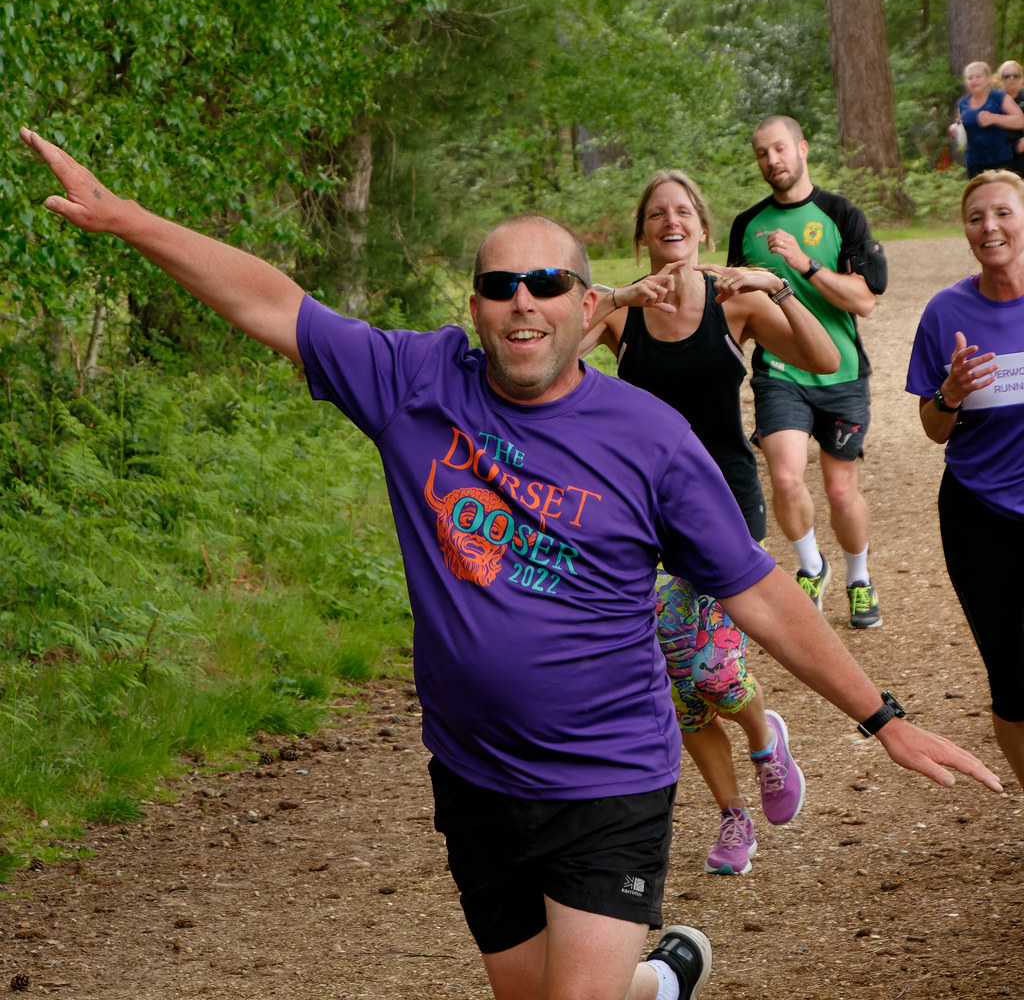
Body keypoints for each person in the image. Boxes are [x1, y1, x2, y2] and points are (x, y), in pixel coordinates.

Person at [20, 126, 1003, 1000]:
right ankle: (657, 979)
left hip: (609, 776)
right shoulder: (412, 380)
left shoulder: (649, 437)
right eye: (498, 285)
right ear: (477, 305)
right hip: (474, 775)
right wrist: (127, 219)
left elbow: (753, 588)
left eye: (546, 285)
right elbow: (274, 302)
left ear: (586, 307)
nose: (521, 304)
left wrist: (881, 718)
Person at [581, 169, 840, 876]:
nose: (670, 221)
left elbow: (824, 358)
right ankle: (733, 816)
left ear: (701, 226)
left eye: (683, 212)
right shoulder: (622, 313)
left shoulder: (733, 306)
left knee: (713, 674)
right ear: (643, 233)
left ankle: (764, 737)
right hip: (640, 518)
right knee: (672, 683)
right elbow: (546, 348)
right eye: (656, 214)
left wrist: (774, 287)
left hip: (724, 506)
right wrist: (618, 294)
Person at [729, 114, 887, 630]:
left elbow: (865, 301)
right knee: (785, 475)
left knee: (842, 491)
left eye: (778, 149)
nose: (771, 161)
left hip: (841, 374)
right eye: (761, 154)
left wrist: (805, 264)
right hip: (779, 373)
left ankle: (859, 579)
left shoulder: (842, 213)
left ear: (801, 149)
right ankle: (810, 566)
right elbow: (733, 307)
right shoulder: (747, 225)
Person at [905, 169, 1024, 792]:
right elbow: (933, 429)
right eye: (977, 218)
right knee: (1012, 681)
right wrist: (948, 393)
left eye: (1003, 213)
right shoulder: (947, 312)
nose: (990, 227)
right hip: (981, 514)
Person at [946, 60, 1024, 179]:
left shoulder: (999, 97)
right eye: (970, 78)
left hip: (1001, 161)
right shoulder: (962, 103)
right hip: (974, 162)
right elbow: (960, 126)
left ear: (988, 78)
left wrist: (995, 118)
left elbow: (1020, 121)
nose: (974, 80)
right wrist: (954, 129)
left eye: (978, 76)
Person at [996, 59, 1024, 177]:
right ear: (1000, 79)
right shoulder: (993, 100)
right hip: (999, 150)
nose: (1011, 78)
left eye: (1015, 75)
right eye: (1007, 76)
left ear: (1021, 79)